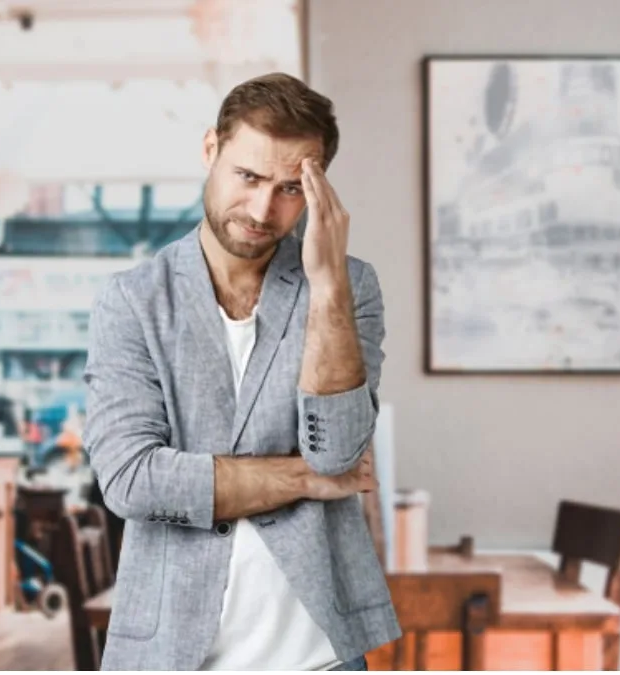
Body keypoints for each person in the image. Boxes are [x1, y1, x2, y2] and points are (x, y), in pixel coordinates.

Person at [83, 72, 400, 671]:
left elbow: (336, 453)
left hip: (316, 654)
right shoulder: (133, 300)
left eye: (289, 189)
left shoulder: (350, 286)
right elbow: (132, 480)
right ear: (211, 149)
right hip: (173, 652)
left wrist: (326, 282)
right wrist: (303, 480)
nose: (261, 210)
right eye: (249, 177)